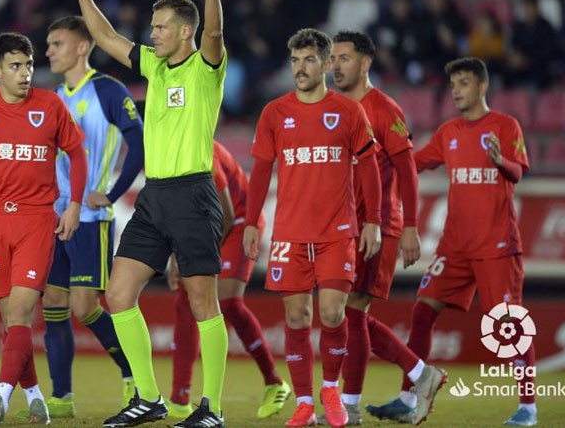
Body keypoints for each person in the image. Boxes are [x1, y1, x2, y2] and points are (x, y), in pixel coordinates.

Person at [55, 0, 228, 428]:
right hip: (154, 197)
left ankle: (211, 410)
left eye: (160, 28)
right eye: (152, 28)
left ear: (184, 31)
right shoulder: (153, 64)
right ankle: (149, 399)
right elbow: (105, 35)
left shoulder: (206, 67)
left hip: (194, 193)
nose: (151, 35)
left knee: (201, 301)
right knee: (119, 294)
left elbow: (215, 30)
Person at [367, 57, 536, 427]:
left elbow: (519, 171)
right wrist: (384, 151)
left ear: (481, 87)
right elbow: (415, 162)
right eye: (453, 84)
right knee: (422, 312)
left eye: (462, 83)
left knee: (507, 324)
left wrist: (499, 161)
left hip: (496, 245)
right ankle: (408, 396)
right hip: (455, 246)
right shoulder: (449, 131)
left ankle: (528, 407)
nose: (456, 90)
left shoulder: (505, 126)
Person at [243, 28, 382, 428]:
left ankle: (330, 390)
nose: (299, 69)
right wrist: (252, 221)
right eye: (294, 61)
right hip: (289, 232)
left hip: (338, 231)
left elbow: (369, 167)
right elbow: (262, 171)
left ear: (325, 64)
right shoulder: (275, 112)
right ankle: (304, 403)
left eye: (308, 61)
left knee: (333, 312)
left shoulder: (349, 111)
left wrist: (372, 220)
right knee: (298, 316)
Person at [0, 32, 88, 425]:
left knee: (23, 310)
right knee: (13, 321)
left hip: (36, 219)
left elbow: (77, 154)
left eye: (28, 65)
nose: (25, 73)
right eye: (15, 66)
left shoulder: (50, 105)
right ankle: (36, 398)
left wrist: (74, 204)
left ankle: (0, 398)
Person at [330, 31, 446, 425]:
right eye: (333, 58)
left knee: (352, 310)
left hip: (376, 226)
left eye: (344, 58)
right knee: (346, 314)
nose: (335, 66)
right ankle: (419, 374)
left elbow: (408, 172)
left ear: (365, 63)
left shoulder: (384, 109)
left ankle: (351, 404)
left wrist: (411, 226)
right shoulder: (338, 108)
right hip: (345, 225)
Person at [39, 15, 144, 418]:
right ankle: (61, 397)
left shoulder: (107, 91)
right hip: (53, 218)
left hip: (90, 220)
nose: (49, 51)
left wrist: (114, 193)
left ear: (83, 47)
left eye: (57, 43)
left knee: (84, 306)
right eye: (48, 44)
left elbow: (137, 144)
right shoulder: (51, 98)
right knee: (53, 301)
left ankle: (132, 371)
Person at [165, 138, 291, 420]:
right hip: (210, 226)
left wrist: (192, 259)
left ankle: (274, 382)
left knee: (228, 300)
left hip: (238, 222)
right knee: (185, 301)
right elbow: (177, 213)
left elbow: (226, 214)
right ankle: (179, 398)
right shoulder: (167, 152)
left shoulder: (200, 153)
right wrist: (176, 257)